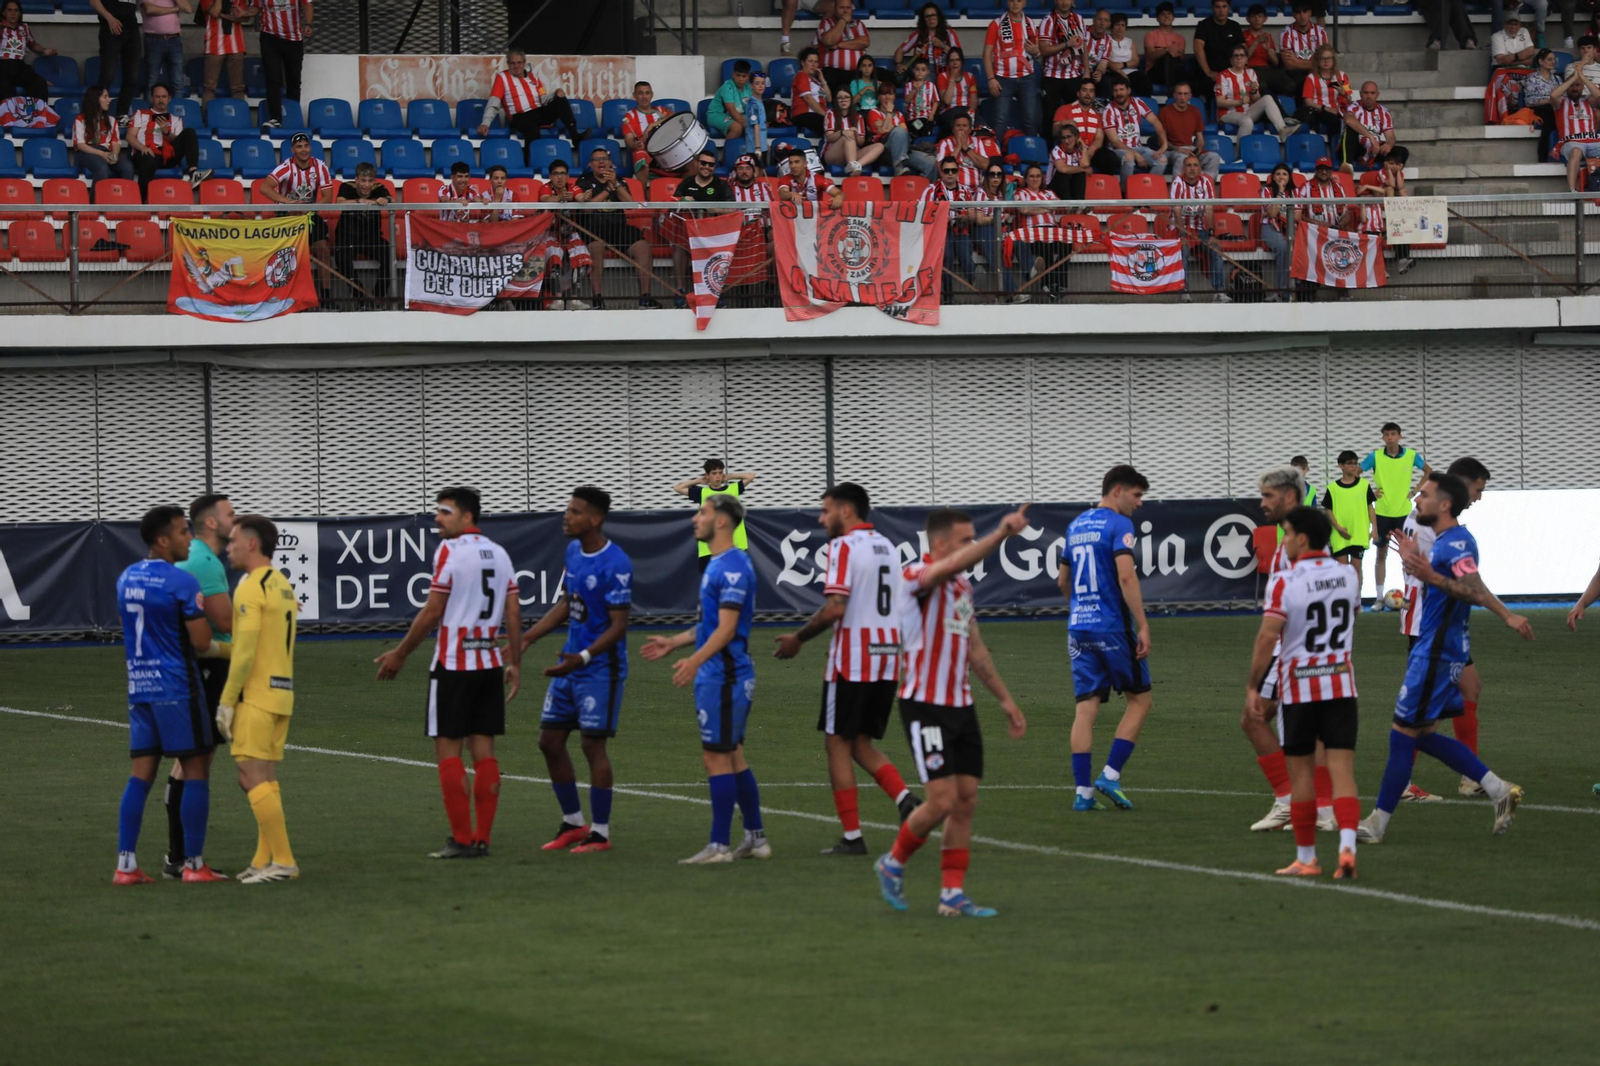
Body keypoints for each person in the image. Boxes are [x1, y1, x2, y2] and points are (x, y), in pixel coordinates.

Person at [873, 506, 1030, 919]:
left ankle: (952, 895)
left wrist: (1005, 698)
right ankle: (893, 863)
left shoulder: (962, 587)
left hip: (961, 705)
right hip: (924, 703)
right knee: (940, 801)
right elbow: (953, 564)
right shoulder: (914, 577)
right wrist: (1000, 535)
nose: (970, 547)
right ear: (940, 544)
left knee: (965, 802)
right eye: (965, 539)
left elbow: (975, 648)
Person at [1359, 473, 1533, 844]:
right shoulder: (1447, 542)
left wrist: (1429, 576)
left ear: (1445, 504)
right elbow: (1470, 586)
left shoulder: (1455, 544)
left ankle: (1377, 824)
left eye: (1423, 494)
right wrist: (1418, 565)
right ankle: (1498, 789)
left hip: (1436, 653)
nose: (1417, 499)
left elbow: (1470, 591)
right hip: (1438, 649)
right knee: (1420, 734)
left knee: (1402, 734)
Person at [773, 483, 922, 855]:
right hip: (888, 655)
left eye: (825, 511)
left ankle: (853, 837)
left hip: (854, 660)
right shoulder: (888, 546)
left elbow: (836, 607)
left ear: (846, 511)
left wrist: (798, 639)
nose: (821, 519)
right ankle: (905, 801)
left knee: (836, 743)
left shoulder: (842, 547)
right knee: (859, 742)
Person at [374, 489, 521, 859]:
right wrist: (515, 661)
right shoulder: (501, 554)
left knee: (448, 750)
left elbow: (431, 611)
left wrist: (401, 653)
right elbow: (514, 613)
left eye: (444, 512)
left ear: (466, 516)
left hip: (453, 665)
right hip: (488, 664)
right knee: (484, 751)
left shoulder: (450, 551)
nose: (437, 519)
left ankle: (461, 839)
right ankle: (482, 838)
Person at [641, 495, 769, 864]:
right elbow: (710, 625)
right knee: (732, 756)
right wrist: (673, 642)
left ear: (723, 521)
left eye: (703, 512)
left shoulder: (732, 567)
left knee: (715, 758)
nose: (695, 519)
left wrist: (694, 660)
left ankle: (719, 846)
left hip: (726, 675)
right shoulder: (718, 564)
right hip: (722, 672)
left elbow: (727, 630)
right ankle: (756, 839)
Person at [1246, 506, 1361, 879]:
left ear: (1303, 538)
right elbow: (1352, 616)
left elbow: (1268, 636)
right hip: (1342, 684)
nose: (1285, 540)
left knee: (1303, 778)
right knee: (1342, 773)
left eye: (1289, 533)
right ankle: (1347, 847)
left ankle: (1307, 857)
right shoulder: (1348, 575)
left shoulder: (1285, 581)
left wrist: (1253, 685)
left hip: (1300, 688)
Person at [113, 505, 225, 885]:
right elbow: (202, 641)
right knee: (195, 771)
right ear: (163, 540)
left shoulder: (126, 577)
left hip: (139, 687)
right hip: (177, 688)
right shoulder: (182, 583)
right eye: (182, 532)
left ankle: (125, 866)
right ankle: (194, 865)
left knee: (139, 777)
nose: (189, 538)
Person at [520, 486, 632, 855]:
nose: (566, 516)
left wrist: (582, 657)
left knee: (591, 744)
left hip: (600, 668)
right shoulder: (573, 551)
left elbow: (618, 626)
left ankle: (600, 833)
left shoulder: (616, 563)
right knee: (549, 741)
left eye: (574, 511)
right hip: (571, 664)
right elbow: (569, 602)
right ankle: (573, 822)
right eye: (567, 509)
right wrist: (527, 638)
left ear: (594, 519)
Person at [1242, 464, 1337, 833]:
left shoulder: (1303, 539)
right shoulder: (1292, 535)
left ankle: (1317, 808)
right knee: (1258, 721)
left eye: (1268, 496)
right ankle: (1295, 802)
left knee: (1296, 731)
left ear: (1290, 496)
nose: (1262, 503)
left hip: (1297, 651)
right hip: (1298, 648)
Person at [1397, 457, 1494, 802]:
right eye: (1477, 490)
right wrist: (1503, 611)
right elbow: (1450, 576)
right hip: (1431, 623)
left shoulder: (1425, 509)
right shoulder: (1435, 521)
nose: (1478, 498)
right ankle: (1404, 785)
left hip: (1430, 619)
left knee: (1470, 688)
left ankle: (1472, 776)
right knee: (1423, 717)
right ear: (1461, 484)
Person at [1061, 465, 1153, 811]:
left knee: (1085, 708)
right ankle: (1110, 775)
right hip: (1111, 626)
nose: (1139, 503)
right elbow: (1126, 577)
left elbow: (1062, 581)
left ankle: (1082, 794)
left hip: (1078, 627)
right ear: (1118, 490)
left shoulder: (1075, 525)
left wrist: (1079, 609)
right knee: (1140, 700)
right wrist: (1142, 625)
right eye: (1136, 494)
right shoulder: (1119, 525)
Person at [215, 514, 301, 883]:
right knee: (262, 777)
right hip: (281, 693)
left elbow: (245, 649)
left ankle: (283, 861)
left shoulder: (249, 587)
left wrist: (227, 700)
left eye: (233, 540)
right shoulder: (282, 584)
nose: (228, 547)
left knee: (251, 776)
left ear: (252, 543)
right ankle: (264, 859)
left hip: (256, 696)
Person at [162, 493, 234, 880]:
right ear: (210, 523)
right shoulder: (204, 562)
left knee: (188, 761)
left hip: (192, 669)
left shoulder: (200, 560)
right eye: (230, 514)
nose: (234, 520)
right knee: (196, 762)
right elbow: (224, 619)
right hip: (209, 669)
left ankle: (179, 857)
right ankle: (185, 859)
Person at [575, 146, 659, 310]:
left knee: (643, 247)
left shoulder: (618, 180)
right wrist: (608, 190)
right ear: (590, 165)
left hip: (617, 227)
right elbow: (587, 208)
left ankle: (645, 298)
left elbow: (631, 205)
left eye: (604, 159)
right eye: (597, 160)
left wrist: (615, 184)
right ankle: (597, 300)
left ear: (610, 163)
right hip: (593, 228)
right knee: (596, 248)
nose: (601, 162)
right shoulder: (583, 181)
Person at [1361, 422, 1432, 609]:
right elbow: (1355, 473)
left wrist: (1415, 491)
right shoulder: (1375, 456)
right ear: (1383, 437)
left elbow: (1429, 472)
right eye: (1386, 434)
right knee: (1380, 554)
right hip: (1383, 512)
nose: (1390, 437)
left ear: (1400, 436)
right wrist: (1370, 492)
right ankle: (1378, 598)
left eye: (1393, 434)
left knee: (1408, 556)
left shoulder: (1410, 455)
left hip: (1404, 514)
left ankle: (1410, 596)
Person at [261, 132, 333, 296]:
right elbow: (265, 187)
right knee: (291, 256)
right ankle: (288, 296)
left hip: (309, 215)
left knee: (323, 250)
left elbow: (328, 197)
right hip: (287, 216)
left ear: (310, 147)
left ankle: (327, 297)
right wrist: (287, 202)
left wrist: (311, 208)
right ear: (293, 149)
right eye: (299, 146)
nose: (303, 150)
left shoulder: (320, 166)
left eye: (306, 146)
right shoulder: (285, 167)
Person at [479, 49, 584, 159]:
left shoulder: (533, 77)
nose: (516, 66)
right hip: (519, 117)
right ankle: (530, 163)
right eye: (512, 63)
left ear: (524, 63)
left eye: (519, 62)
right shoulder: (502, 77)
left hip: (537, 113)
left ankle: (575, 136)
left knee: (561, 99)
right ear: (508, 64)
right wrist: (485, 123)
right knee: (531, 127)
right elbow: (494, 102)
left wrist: (555, 93)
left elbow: (543, 99)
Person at [127, 83, 211, 198]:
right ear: (152, 98)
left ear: (169, 98)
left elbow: (178, 142)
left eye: (164, 96)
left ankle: (193, 173)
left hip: (167, 156)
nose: (161, 100)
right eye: (157, 97)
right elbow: (130, 136)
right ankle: (142, 201)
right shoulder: (140, 114)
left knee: (189, 132)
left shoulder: (176, 120)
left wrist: (166, 132)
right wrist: (143, 148)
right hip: (145, 153)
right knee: (148, 159)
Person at [673, 459, 756, 574]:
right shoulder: (702, 492)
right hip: (709, 549)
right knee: (713, 584)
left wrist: (729, 477)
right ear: (708, 475)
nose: (718, 476)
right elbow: (677, 488)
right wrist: (699, 480)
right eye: (714, 473)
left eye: (720, 472)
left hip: (735, 545)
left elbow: (751, 476)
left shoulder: (733, 489)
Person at [332, 161, 393, 305]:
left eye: (370, 181)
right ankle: (360, 296)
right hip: (347, 236)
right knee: (342, 259)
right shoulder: (346, 186)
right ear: (356, 179)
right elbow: (339, 202)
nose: (366, 184)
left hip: (371, 237)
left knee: (389, 254)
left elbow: (391, 199)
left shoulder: (379, 188)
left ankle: (378, 297)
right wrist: (360, 201)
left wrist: (386, 200)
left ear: (374, 181)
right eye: (363, 180)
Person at [1170, 153, 1227, 302]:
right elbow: (1176, 210)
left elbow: (1209, 209)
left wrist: (1212, 234)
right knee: (1182, 251)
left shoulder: (1206, 182)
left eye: (1195, 165)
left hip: (1200, 229)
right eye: (1189, 165)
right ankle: (1184, 292)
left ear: (1200, 169)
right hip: (1181, 228)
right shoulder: (1178, 182)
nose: (1192, 169)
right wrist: (1182, 236)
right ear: (1183, 169)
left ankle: (1219, 291)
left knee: (1216, 249)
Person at [1010, 163, 1070, 299]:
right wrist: (1048, 208)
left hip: (1052, 229)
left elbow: (1060, 205)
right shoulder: (1020, 193)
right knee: (1045, 248)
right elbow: (1025, 210)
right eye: (1032, 176)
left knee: (1067, 245)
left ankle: (1059, 283)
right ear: (1026, 179)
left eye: (1038, 176)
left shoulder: (1049, 192)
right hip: (1033, 231)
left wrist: (1036, 208)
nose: (1035, 179)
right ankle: (1048, 286)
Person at [983, 0, 1042, 138]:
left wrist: (1036, 52)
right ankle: (997, 156)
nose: (1015, 3)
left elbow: (1037, 54)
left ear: (1025, 3)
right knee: (1000, 121)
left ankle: (1030, 155)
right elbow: (986, 53)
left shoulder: (1031, 24)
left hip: (1027, 77)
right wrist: (991, 78)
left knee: (1031, 120)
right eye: (1012, 0)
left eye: (1019, 0)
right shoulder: (996, 24)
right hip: (1003, 78)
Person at [539, 159, 592, 310]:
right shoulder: (545, 188)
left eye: (563, 174)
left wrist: (585, 197)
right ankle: (557, 300)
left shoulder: (573, 187)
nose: (560, 177)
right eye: (556, 174)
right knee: (554, 260)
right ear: (550, 176)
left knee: (583, 259)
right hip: (550, 233)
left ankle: (574, 299)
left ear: (568, 176)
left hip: (571, 233)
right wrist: (559, 198)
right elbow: (545, 200)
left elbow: (580, 197)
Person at [254, 0, 312, 129]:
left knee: (294, 79)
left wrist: (308, 23)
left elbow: (308, 4)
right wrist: (243, 12)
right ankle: (275, 118)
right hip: (269, 37)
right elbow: (255, 8)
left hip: (293, 39)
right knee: (273, 78)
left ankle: (292, 115)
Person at [1216, 44, 1292, 138]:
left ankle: (1282, 129)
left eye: (1242, 55)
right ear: (1231, 60)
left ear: (1246, 59)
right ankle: (1242, 151)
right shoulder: (1223, 75)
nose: (1239, 58)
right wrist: (1239, 102)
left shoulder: (1251, 73)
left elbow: (1256, 99)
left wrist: (1253, 91)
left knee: (1267, 98)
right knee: (1247, 121)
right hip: (1228, 113)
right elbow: (1219, 102)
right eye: (1236, 56)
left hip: (1247, 111)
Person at [1101, 80, 1169, 183]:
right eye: (1116, 90)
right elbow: (1114, 142)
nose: (1119, 93)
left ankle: (1146, 191)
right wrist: (1135, 154)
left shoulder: (1138, 103)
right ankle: (1126, 194)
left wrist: (1164, 144)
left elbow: (1155, 122)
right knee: (1129, 157)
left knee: (1162, 160)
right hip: (1118, 150)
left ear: (1128, 90)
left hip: (1138, 147)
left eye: (1122, 89)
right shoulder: (1108, 110)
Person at [1321, 449, 1377, 573]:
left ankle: (1357, 593)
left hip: (1359, 533)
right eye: (1349, 463)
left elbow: (1370, 507)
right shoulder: (1333, 488)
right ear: (1341, 465)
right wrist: (1338, 527)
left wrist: (1374, 529)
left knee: (1357, 567)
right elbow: (1328, 510)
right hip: (1340, 535)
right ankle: (1345, 593)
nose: (1353, 466)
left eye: (1355, 463)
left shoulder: (1364, 485)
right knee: (1342, 569)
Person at [1159, 82, 1223, 182]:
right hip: (1172, 151)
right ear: (1174, 95)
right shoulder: (1165, 111)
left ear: (1190, 96)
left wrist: (1198, 151)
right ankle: (1178, 190)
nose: (1182, 97)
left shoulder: (1195, 111)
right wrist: (1178, 149)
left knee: (1214, 157)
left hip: (1190, 150)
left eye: (1185, 94)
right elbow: (1161, 141)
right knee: (1182, 157)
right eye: (1179, 94)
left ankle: (1207, 187)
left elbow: (1200, 139)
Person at [73, 85, 134, 188]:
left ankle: (125, 200)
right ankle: (96, 202)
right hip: (87, 153)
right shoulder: (80, 119)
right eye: (105, 97)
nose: (109, 100)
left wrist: (114, 154)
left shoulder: (111, 120)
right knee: (102, 168)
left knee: (128, 167)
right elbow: (80, 145)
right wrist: (101, 154)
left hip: (107, 151)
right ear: (95, 99)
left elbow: (115, 142)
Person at [1037, 0, 1085, 129]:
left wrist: (1087, 72)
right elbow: (1044, 50)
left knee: (1075, 117)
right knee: (1050, 117)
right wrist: (1065, 45)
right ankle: (1049, 148)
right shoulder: (1048, 21)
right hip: (1052, 76)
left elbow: (1083, 47)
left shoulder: (1078, 19)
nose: (1064, 2)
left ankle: (1076, 148)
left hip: (1074, 76)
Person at [90, 0, 141, 119]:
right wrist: (109, 17)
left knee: (132, 76)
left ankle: (122, 114)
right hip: (110, 27)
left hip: (132, 28)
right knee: (107, 75)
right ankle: (98, 114)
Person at [1552, 70, 1600, 191]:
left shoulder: (1589, 101)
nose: (1574, 88)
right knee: (1576, 151)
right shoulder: (1560, 102)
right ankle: (1573, 191)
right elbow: (1553, 95)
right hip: (1571, 142)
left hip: (1593, 140)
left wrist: (1581, 77)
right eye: (1571, 86)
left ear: (1582, 87)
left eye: (1577, 85)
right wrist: (1572, 79)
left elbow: (1598, 95)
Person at [1301, 44, 1352, 155]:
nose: (1326, 61)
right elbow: (1308, 101)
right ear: (1317, 61)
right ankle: (1336, 154)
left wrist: (1344, 93)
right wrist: (1326, 108)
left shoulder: (1341, 76)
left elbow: (1350, 100)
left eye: (1329, 58)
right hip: (1319, 110)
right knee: (1334, 122)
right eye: (1322, 58)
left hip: (1340, 110)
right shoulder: (1311, 78)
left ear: (1333, 60)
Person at [0, 0, 55, 102]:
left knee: (39, 83)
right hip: (3, 65)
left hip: (19, 65)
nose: (13, 13)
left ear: (20, 13)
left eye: (16, 10)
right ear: (3, 13)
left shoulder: (24, 27)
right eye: (9, 10)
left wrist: (44, 50)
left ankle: (36, 115)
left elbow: (32, 44)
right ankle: (9, 117)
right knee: (5, 88)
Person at [1193, 0, 1246, 106]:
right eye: (1217, 7)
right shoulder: (1204, 25)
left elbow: (1243, 50)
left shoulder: (1234, 26)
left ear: (1229, 8)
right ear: (1213, 9)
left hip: (1231, 69)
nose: (1221, 10)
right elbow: (1198, 48)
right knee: (1209, 85)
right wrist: (1208, 71)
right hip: (1211, 69)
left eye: (1224, 7)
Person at [199, 0, 250, 108]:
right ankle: (207, 118)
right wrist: (226, 14)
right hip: (213, 45)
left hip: (236, 45)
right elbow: (214, 12)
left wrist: (223, 15)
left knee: (238, 88)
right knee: (209, 87)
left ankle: (239, 117)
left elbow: (244, 17)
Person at [823, 86, 883, 177]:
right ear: (836, 101)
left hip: (852, 153)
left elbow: (860, 142)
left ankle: (856, 165)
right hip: (832, 154)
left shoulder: (858, 117)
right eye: (840, 98)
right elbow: (830, 138)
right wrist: (842, 132)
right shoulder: (831, 113)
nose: (843, 100)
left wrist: (856, 134)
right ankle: (853, 168)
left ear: (851, 99)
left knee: (880, 146)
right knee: (848, 135)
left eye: (846, 97)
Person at [815, 0, 871, 97]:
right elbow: (828, 41)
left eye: (848, 8)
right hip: (834, 74)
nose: (845, 11)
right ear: (834, 9)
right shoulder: (826, 23)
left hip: (856, 73)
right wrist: (843, 21)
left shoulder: (858, 24)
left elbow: (865, 42)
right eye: (842, 8)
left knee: (879, 74)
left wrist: (838, 45)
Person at [896, 2, 962, 82]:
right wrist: (898, 64)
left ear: (939, 16)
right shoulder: (918, 34)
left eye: (933, 15)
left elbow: (959, 55)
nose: (931, 18)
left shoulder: (949, 32)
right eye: (927, 16)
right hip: (924, 70)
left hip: (945, 68)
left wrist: (942, 45)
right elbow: (900, 50)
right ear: (923, 19)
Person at [620, 80, 672, 177]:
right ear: (634, 96)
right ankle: (642, 192)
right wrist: (635, 145)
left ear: (651, 95)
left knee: (692, 162)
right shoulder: (630, 116)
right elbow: (628, 140)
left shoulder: (660, 110)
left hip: (664, 149)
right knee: (640, 156)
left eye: (647, 93)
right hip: (644, 150)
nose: (644, 97)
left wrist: (653, 124)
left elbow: (676, 117)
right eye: (640, 93)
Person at [935, 111, 1001, 187]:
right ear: (953, 129)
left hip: (976, 189)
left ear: (970, 130)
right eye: (958, 125)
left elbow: (986, 165)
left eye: (964, 125)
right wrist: (958, 147)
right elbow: (941, 168)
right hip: (953, 190)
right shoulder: (945, 143)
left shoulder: (977, 141)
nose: (961, 128)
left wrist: (967, 149)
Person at [1341, 81, 1395, 171]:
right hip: (1356, 148)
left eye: (1372, 93)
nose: (1369, 96)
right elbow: (1349, 120)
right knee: (1350, 130)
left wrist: (1389, 144)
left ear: (1377, 95)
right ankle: (1348, 165)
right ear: (1360, 94)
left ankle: (1388, 176)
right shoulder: (1353, 107)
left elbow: (1391, 136)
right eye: (1366, 93)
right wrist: (1371, 137)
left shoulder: (1384, 112)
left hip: (1374, 150)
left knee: (1402, 152)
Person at [1242, 4, 1293, 97]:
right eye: (1253, 16)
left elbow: (1275, 63)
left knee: (1290, 85)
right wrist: (1256, 42)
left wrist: (1268, 50)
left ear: (1265, 19)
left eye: (1260, 16)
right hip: (1250, 69)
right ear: (1248, 19)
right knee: (1262, 86)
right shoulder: (1243, 35)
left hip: (1266, 69)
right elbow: (1243, 59)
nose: (1257, 19)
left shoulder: (1267, 36)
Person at [141, 0, 190, 95]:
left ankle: (176, 108)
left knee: (177, 82)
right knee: (152, 80)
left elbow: (188, 9)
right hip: (154, 40)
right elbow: (149, 9)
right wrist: (175, 8)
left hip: (174, 40)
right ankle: (150, 109)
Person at [1139, 2, 1186, 95]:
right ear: (1157, 18)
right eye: (1163, 14)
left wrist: (1178, 53)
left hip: (1174, 70)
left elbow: (1182, 59)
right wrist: (1167, 50)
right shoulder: (1151, 35)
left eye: (1169, 13)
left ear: (1173, 17)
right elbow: (1151, 55)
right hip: (1155, 73)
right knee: (1168, 56)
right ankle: (1171, 91)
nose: (1166, 16)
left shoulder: (1180, 38)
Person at [1278, 1, 1327, 88]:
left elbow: (1324, 61)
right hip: (1296, 72)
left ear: (1310, 13)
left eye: (1305, 12)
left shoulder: (1320, 32)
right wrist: (1314, 65)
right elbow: (1288, 64)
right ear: (1293, 15)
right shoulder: (1286, 33)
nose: (1302, 16)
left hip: (1316, 71)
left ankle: (1347, 97)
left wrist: (1296, 61)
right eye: (1298, 13)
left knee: (1339, 79)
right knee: (1304, 81)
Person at [776, 146, 842, 208]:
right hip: (793, 217)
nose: (793, 166)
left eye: (797, 162)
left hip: (816, 216)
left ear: (805, 164)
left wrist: (839, 197)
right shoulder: (785, 179)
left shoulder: (817, 178)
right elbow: (782, 193)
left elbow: (839, 193)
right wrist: (792, 194)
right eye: (791, 163)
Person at [935, 45, 978, 135]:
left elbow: (974, 101)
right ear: (948, 63)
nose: (955, 63)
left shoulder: (970, 77)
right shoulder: (942, 77)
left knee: (982, 127)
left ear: (962, 62)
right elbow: (947, 100)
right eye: (951, 60)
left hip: (966, 110)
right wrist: (952, 79)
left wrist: (969, 113)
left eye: (957, 60)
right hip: (949, 111)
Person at [707, 59, 754, 139]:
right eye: (738, 75)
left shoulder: (748, 88)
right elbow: (731, 109)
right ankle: (729, 150)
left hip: (735, 114)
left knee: (756, 124)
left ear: (748, 77)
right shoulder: (727, 87)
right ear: (733, 74)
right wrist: (746, 125)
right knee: (737, 127)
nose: (740, 79)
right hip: (717, 114)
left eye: (744, 76)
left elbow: (751, 108)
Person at [790, 46, 827, 137]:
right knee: (831, 126)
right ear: (803, 62)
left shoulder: (815, 81)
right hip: (805, 114)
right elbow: (808, 98)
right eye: (810, 61)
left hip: (816, 114)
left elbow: (829, 97)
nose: (813, 65)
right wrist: (826, 115)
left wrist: (822, 80)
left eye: (816, 62)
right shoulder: (801, 76)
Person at [1049, 122, 1091, 201]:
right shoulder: (1057, 150)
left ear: (1076, 137)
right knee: (1064, 174)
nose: (1066, 141)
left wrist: (1084, 148)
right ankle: (1068, 205)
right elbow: (1063, 169)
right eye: (1063, 138)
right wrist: (1083, 169)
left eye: (1069, 137)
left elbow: (1085, 164)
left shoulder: (1079, 150)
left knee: (1080, 174)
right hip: (1053, 188)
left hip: (1070, 187)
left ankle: (1080, 204)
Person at [902, 56, 939, 140]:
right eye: (917, 69)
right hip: (913, 117)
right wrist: (914, 90)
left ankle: (922, 142)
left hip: (926, 117)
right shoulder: (909, 85)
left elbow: (936, 101)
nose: (920, 72)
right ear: (913, 71)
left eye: (923, 70)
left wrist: (932, 113)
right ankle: (915, 141)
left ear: (927, 71)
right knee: (916, 127)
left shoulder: (931, 86)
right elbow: (907, 100)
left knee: (925, 126)